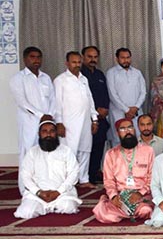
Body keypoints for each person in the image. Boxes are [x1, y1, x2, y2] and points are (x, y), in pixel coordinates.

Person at [15, 116, 81, 219]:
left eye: (52, 131)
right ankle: (45, 206)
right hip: (38, 195)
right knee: (25, 212)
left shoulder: (66, 151)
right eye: (45, 131)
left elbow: (73, 173)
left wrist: (58, 191)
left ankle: (50, 207)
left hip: (61, 193)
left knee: (69, 207)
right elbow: (26, 176)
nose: (48, 134)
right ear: (39, 134)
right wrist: (38, 192)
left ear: (56, 133)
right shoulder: (32, 152)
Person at [92, 118, 155, 223]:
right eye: (123, 129)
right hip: (121, 195)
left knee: (145, 210)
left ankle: (128, 212)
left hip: (142, 195)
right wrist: (114, 196)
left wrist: (140, 193)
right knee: (105, 215)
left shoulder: (148, 150)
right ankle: (121, 209)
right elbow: (108, 180)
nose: (128, 131)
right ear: (117, 133)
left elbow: (152, 177)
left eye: (130, 127)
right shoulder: (111, 154)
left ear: (135, 130)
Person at [11, 47, 55, 194]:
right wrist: (40, 115)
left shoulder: (46, 78)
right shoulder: (18, 78)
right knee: (28, 154)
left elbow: (53, 99)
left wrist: (49, 116)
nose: (36, 60)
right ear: (25, 59)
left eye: (38, 57)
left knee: (45, 153)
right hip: (29, 123)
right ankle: (25, 189)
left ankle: (42, 185)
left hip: (47, 122)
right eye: (32, 57)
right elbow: (22, 102)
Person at [54, 51, 99, 189]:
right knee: (69, 152)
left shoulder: (83, 79)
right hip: (69, 124)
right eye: (74, 62)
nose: (77, 65)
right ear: (67, 63)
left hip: (85, 123)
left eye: (79, 62)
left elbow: (89, 100)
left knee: (85, 150)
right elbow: (56, 103)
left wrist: (94, 119)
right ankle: (68, 182)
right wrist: (59, 122)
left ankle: (83, 179)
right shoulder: (60, 80)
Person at [80, 46, 110, 185]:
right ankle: (83, 176)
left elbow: (105, 94)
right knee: (86, 148)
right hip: (87, 119)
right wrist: (95, 112)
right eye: (89, 56)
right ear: (83, 57)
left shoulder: (100, 75)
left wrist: (105, 109)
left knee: (98, 146)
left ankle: (93, 173)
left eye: (95, 57)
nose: (93, 60)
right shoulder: (79, 75)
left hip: (102, 118)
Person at [106, 47, 147, 146]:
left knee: (137, 138)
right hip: (118, 113)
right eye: (123, 58)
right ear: (117, 59)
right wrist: (126, 110)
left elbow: (143, 92)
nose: (126, 60)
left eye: (128, 57)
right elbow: (112, 94)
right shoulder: (111, 73)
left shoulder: (137, 73)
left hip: (136, 112)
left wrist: (135, 107)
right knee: (119, 140)